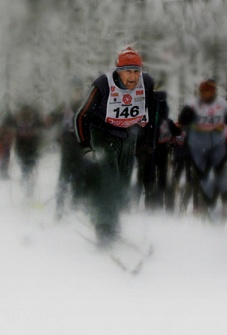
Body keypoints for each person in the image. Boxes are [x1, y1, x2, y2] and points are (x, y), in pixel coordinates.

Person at [74, 47, 155, 244]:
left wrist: (147, 141)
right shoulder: (103, 85)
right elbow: (81, 116)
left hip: (128, 136)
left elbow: (150, 111)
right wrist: (85, 146)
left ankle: (112, 224)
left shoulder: (147, 83)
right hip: (102, 134)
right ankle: (104, 230)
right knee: (109, 181)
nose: (133, 77)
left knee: (121, 186)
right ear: (118, 71)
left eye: (137, 71)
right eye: (128, 71)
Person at [178, 79, 227, 218]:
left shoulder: (223, 105)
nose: (203, 94)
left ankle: (224, 204)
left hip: (217, 147)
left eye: (206, 92)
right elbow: (182, 120)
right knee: (201, 178)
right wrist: (187, 118)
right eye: (201, 91)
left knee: (221, 175)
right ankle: (204, 206)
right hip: (197, 147)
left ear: (212, 92)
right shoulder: (193, 105)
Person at [49, 76, 86, 219]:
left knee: (79, 175)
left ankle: (77, 206)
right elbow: (51, 118)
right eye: (74, 90)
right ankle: (60, 207)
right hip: (67, 145)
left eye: (79, 90)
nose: (77, 93)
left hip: (81, 145)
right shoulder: (65, 106)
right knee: (64, 175)